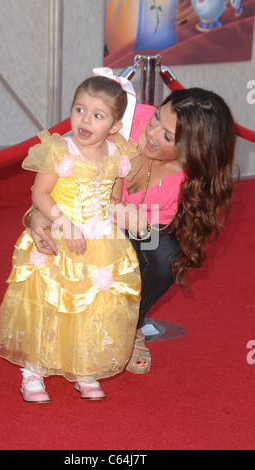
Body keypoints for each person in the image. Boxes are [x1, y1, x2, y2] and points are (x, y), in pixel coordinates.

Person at [30, 87, 237, 374]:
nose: (151, 134)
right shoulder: (123, 122)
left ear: (193, 150)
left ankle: (130, 326)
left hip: (126, 229)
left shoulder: (190, 181)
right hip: (79, 217)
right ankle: (83, 324)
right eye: (156, 119)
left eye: (167, 136)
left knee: (167, 258)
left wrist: (142, 226)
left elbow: (166, 237)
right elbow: (60, 166)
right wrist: (39, 215)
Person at [0, 69, 142, 403]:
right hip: (60, 239)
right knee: (49, 303)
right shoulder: (59, 149)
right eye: (79, 109)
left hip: (101, 244)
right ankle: (33, 370)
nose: (84, 119)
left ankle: (83, 367)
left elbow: (115, 199)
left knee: (93, 305)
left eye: (97, 115)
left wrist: (130, 219)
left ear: (115, 126)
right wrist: (64, 223)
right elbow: (40, 195)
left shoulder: (119, 155)